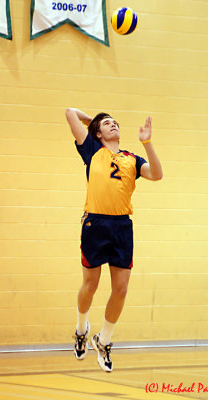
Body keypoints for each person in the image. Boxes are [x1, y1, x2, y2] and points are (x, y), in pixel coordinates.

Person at [65, 108, 163, 372]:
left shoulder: (132, 158)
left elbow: (157, 174)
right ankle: (81, 328)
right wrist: (92, 122)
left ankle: (104, 340)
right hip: (95, 223)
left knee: (120, 289)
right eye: (107, 124)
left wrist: (148, 143)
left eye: (115, 123)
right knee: (91, 284)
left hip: (121, 226)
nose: (113, 125)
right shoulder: (92, 149)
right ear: (98, 133)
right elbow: (69, 112)